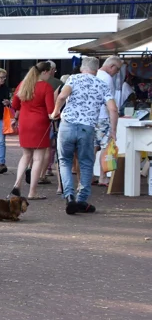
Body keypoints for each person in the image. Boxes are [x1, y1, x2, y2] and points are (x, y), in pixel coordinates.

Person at [50, 56, 118, 215]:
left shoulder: (73, 79)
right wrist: (113, 131)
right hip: (87, 128)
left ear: (82, 68)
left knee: (65, 161)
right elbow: (113, 109)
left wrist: (55, 112)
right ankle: (82, 200)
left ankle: (69, 196)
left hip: (67, 126)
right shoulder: (102, 84)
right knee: (86, 163)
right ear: (96, 69)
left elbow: (61, 96)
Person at [10, 62, 55, 200]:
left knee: (26, 156)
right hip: (40, 123)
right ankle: (32, 192)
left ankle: (17, 184)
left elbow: (15, 104)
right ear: (45, 72)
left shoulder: (23, 84)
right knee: (38, 158)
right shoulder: (46, 87)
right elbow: (50, 110)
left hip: (24, 122)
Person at [93, 56, 123, 186]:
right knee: (105, 146)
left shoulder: (94, 74)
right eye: (118, 69)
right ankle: (103, 176)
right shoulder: (107, 79)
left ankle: (87, 177)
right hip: (103, 117)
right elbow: (110, 105)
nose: (117, 73)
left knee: (92, 148)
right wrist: (114, 128)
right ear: (112, 67)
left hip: (92, 117)